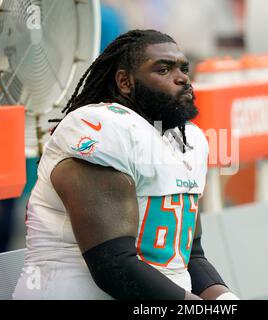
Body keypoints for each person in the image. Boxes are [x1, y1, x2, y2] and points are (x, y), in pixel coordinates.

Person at [13, 29, 239, 300]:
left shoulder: (188, 140)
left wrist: (225, 301)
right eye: (164, 69)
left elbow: (190, 254)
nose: (182, 79)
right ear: (125, 82)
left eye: (184, 68)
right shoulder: (102, 129)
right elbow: (114, 264)